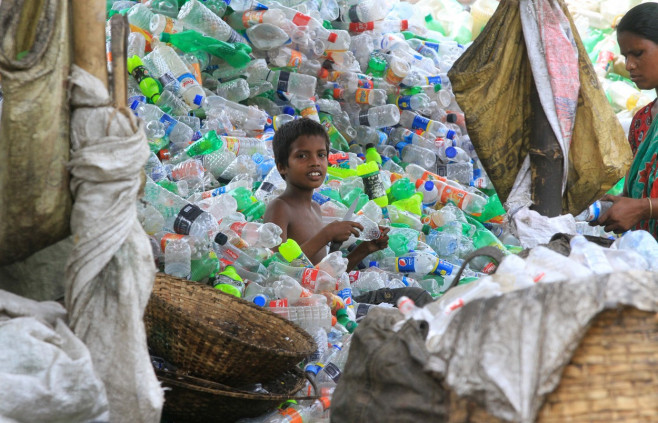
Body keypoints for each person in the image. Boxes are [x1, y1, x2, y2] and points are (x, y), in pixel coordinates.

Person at [263, 118, 390, 271]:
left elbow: (322, 275)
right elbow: (276, 268)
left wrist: (365, 249)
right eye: (302, 156)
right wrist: (327, 234)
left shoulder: (315, 208)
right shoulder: (280, 208)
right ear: (282, 167)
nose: (315, 162)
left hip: (319, 294)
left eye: (321, 155)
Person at [596, 2, 658, 237]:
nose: (629, 65)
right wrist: (620, 204)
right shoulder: (642, 121)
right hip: (645, 263)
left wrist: (643, 209)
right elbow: (644, 192)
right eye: (625, 56)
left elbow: (646, 205)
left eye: (638, 53)